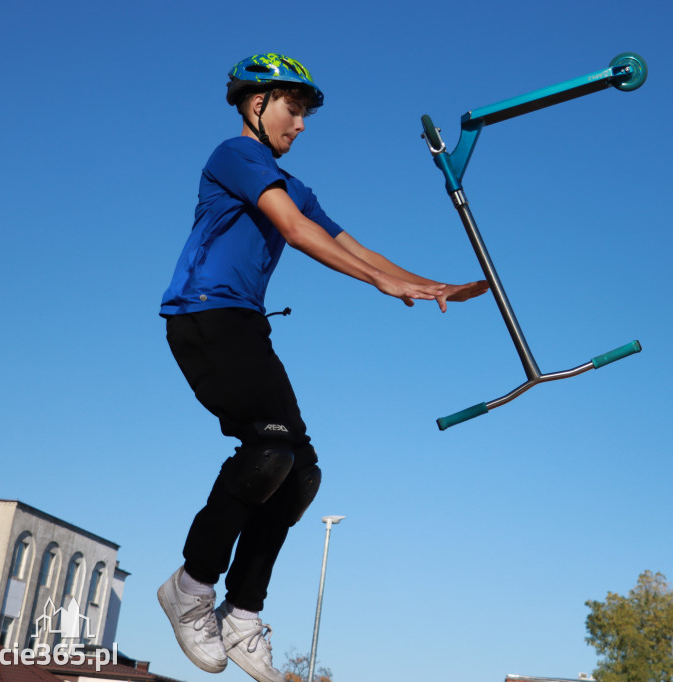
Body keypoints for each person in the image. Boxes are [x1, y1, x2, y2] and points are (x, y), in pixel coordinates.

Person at [156, 53, 488, 682]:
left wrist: (426, 283)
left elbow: (347, 244)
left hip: (245, 324)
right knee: (267, 450)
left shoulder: (294, 187)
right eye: (293, 109)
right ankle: (192, 584)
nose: (301, 125)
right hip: (205, 318)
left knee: (299, 471)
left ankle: (242, 612)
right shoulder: (234, 154)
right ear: (257, 104)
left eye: (304, 113)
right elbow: (297, 233)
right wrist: (382, 286)